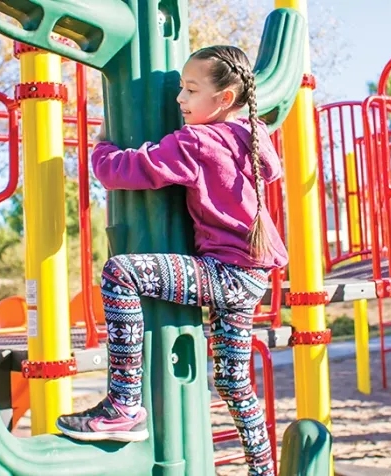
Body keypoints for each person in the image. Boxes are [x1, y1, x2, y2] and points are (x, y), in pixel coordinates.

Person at [57, 45, 287, 476]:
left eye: (191, 89)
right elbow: (268, 171)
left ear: (223, 99)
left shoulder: (197, 141)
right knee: (234, 383)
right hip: (252, 277)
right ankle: (263, 469)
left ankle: (124, 405)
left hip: (227, 275)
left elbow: (122, 171)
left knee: (121, 273)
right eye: (181, 88)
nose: (179, 99)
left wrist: (103, 144)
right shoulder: (251, 135)